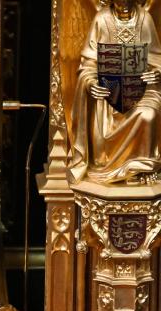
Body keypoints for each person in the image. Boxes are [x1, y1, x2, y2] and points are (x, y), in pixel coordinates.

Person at [68, 0, 161, 184]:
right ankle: (107, 166)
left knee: (149, 114)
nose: (124, 4)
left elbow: (156, 59)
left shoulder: (145, 18)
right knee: (102, 130)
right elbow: (88, 65)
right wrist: (91, 83)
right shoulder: (101, 19)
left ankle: (142, 168)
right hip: (108, 94)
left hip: (142, 90)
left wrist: (156, 74)